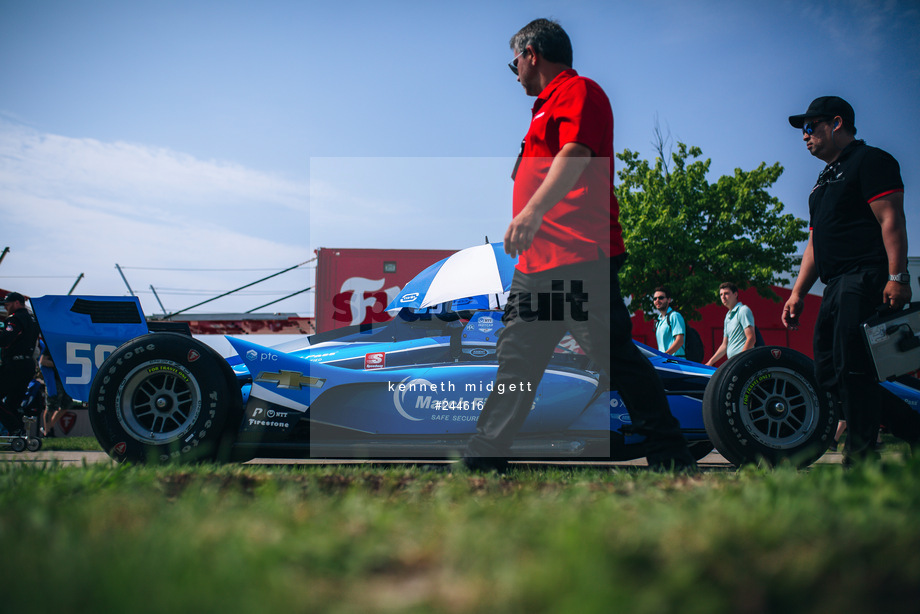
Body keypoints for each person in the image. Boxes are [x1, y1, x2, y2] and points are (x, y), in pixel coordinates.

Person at [462, 18, 695, 472]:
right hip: (537, 266)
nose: (515, 76)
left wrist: (531, 211)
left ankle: (670, 455)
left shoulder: (579, 91)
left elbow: (576, 153)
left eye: (514, 65)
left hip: (577, 256)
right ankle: (483, 460)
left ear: (532, 54)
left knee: (616, 359)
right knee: (517, 366)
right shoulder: (541, 110)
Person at [781, 96, 910, 464]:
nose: (804, 137)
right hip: (834, 285)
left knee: (853, 369)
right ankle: (913, 428)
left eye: (810, 127)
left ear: (836, 123)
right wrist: (798, 293)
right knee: (828, 373)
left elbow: (891, 220)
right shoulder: (821, 182)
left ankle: (861, 458)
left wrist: (898, 276)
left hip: (864, 277)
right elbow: (814, 243)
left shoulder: (872, 161)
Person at [0, 292, 40, 435]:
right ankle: (18, 434)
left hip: (14, 365)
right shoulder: (34, 319)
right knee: (12, 403)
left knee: (9, 401)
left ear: (17, 303)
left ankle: (15, 428)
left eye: (8, 303)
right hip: (28, 365)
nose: (6, 307)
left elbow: (6, 339)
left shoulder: (15, 319)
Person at [705, 282, 755, 366]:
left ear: (735, 294)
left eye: (726, 293)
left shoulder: (743, 310)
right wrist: (710, 362)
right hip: (734, 363)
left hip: (744, 363)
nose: (723, 297)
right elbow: (724, 345)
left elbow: (751, 338)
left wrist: (740, 360)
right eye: (721, 294)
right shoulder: (727, 316)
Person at [652, 286, 685, 357]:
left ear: (669, 300)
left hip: (676, 362)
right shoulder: (658, 320)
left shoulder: (675, 316)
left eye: (661, 298)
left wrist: (665, 355)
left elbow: (680, 341)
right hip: (665, 362)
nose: (657, 300)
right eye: (655, 298)